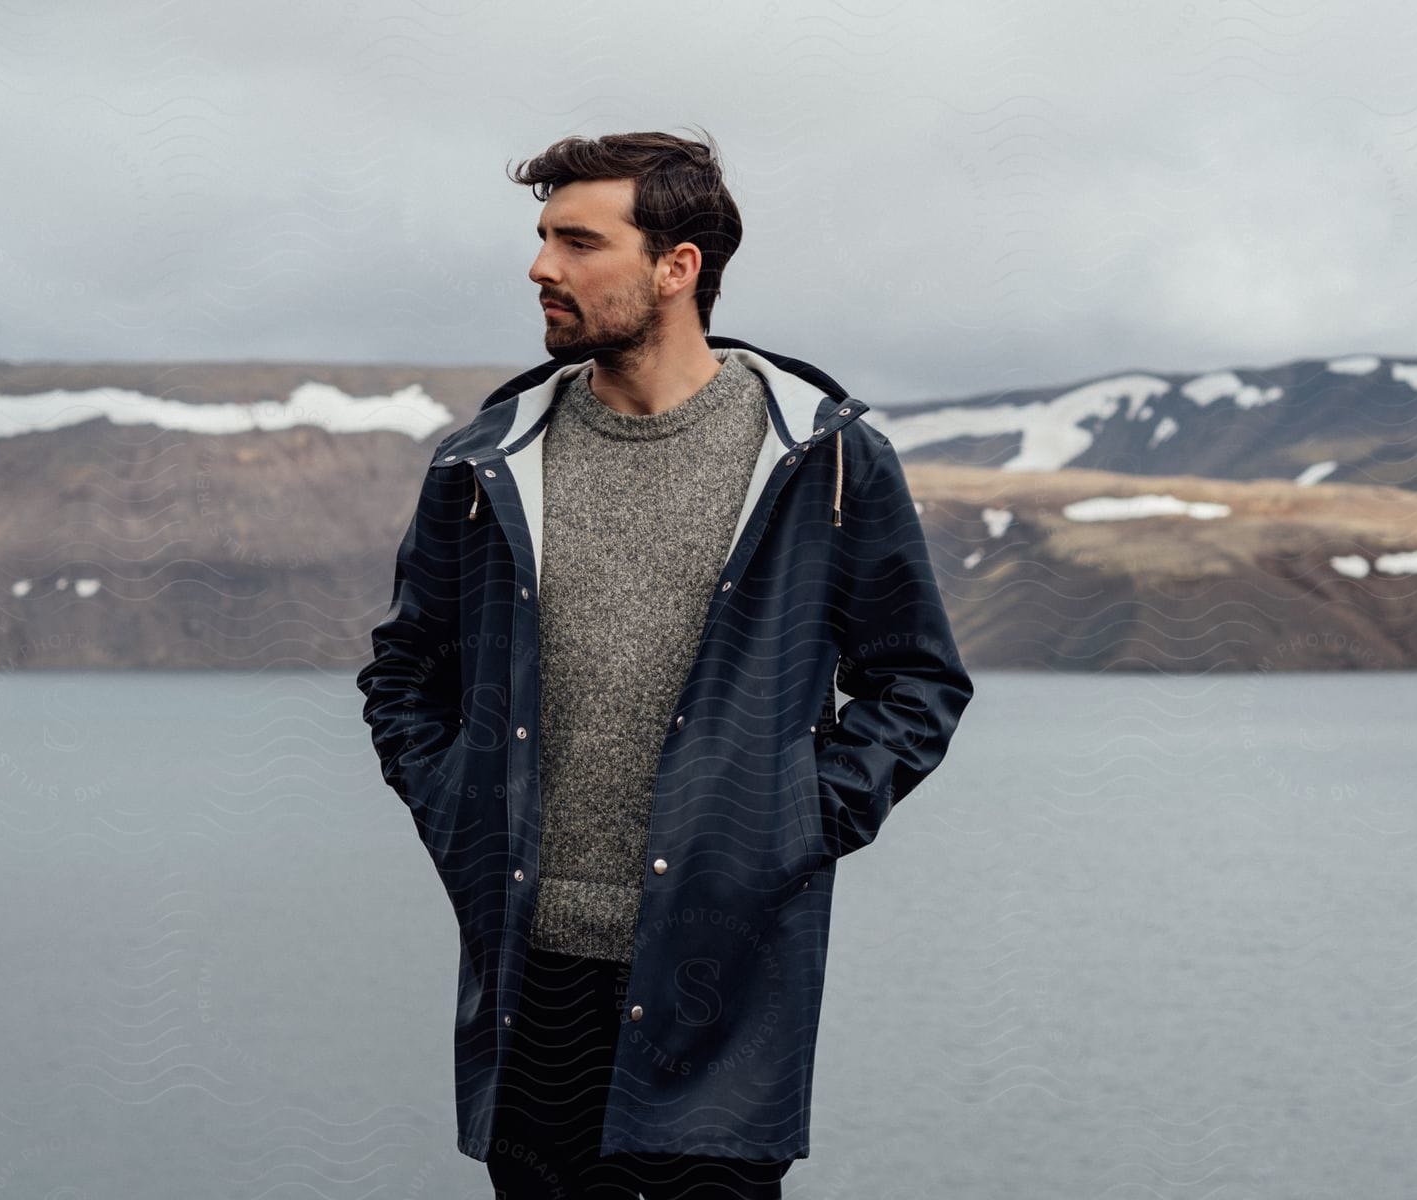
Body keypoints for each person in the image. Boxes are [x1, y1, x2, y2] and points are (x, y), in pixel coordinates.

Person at [356, 129, 973, 1199]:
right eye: (543, 239)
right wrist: (459, 809)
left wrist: (795, 820)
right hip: (531, 976)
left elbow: (915, 681)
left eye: (579, 242)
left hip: (723, 977)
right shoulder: (483, 461)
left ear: (676, 267)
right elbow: (406, 675)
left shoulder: (820, 455)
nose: (542, 268)